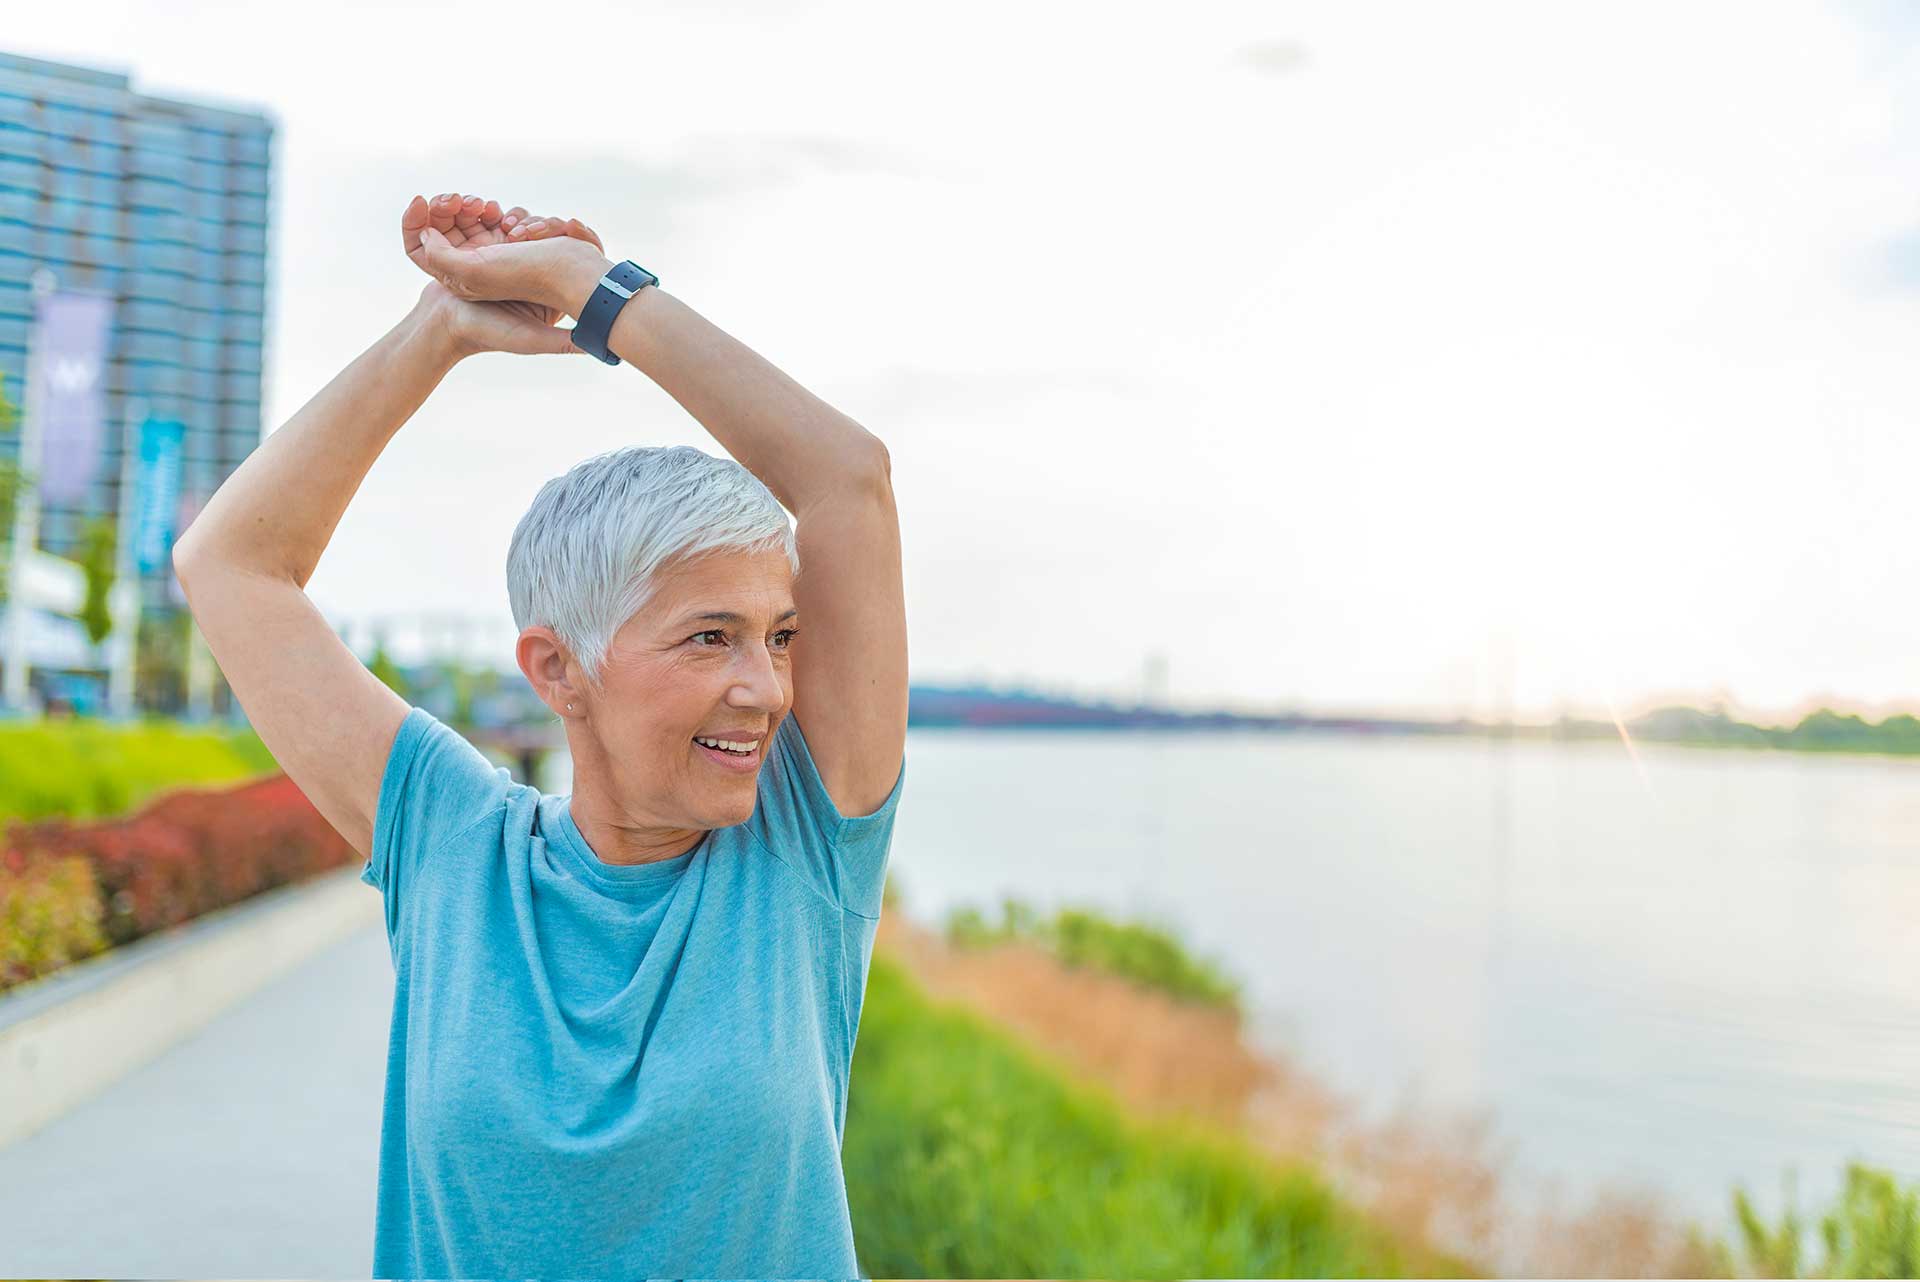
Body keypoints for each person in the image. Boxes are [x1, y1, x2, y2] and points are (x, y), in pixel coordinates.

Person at [172, 191, 908, 1278]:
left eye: (781, 636)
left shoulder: (803, 847)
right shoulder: (452, 843)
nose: (766, 688)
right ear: (559, 669)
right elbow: (228, 563)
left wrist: (592, 291)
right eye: (711, 638)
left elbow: (848, 481)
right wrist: (441, 329)